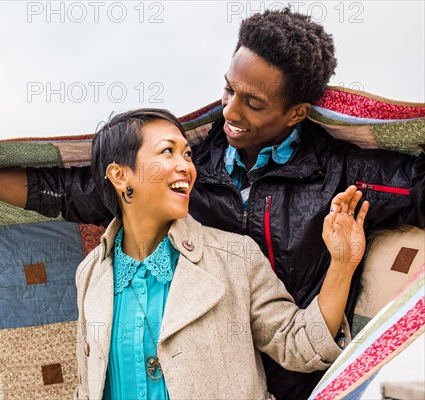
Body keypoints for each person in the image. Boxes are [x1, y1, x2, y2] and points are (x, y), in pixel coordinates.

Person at [0, 9, 424, 398]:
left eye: (254, 102)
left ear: (296, 111)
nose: (230, 112)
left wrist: (344, 262)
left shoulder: (343, 176)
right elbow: (67, 189)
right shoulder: (188, 168)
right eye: (228, 90)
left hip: (296, 379)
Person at [73, 108, 368, 399]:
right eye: (167, 152)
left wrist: (342, 264)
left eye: (187, 154)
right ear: (120, 175)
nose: (186, 167)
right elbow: (88, 385)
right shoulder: (90, 274)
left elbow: (299, 345)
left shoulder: (234, 257)